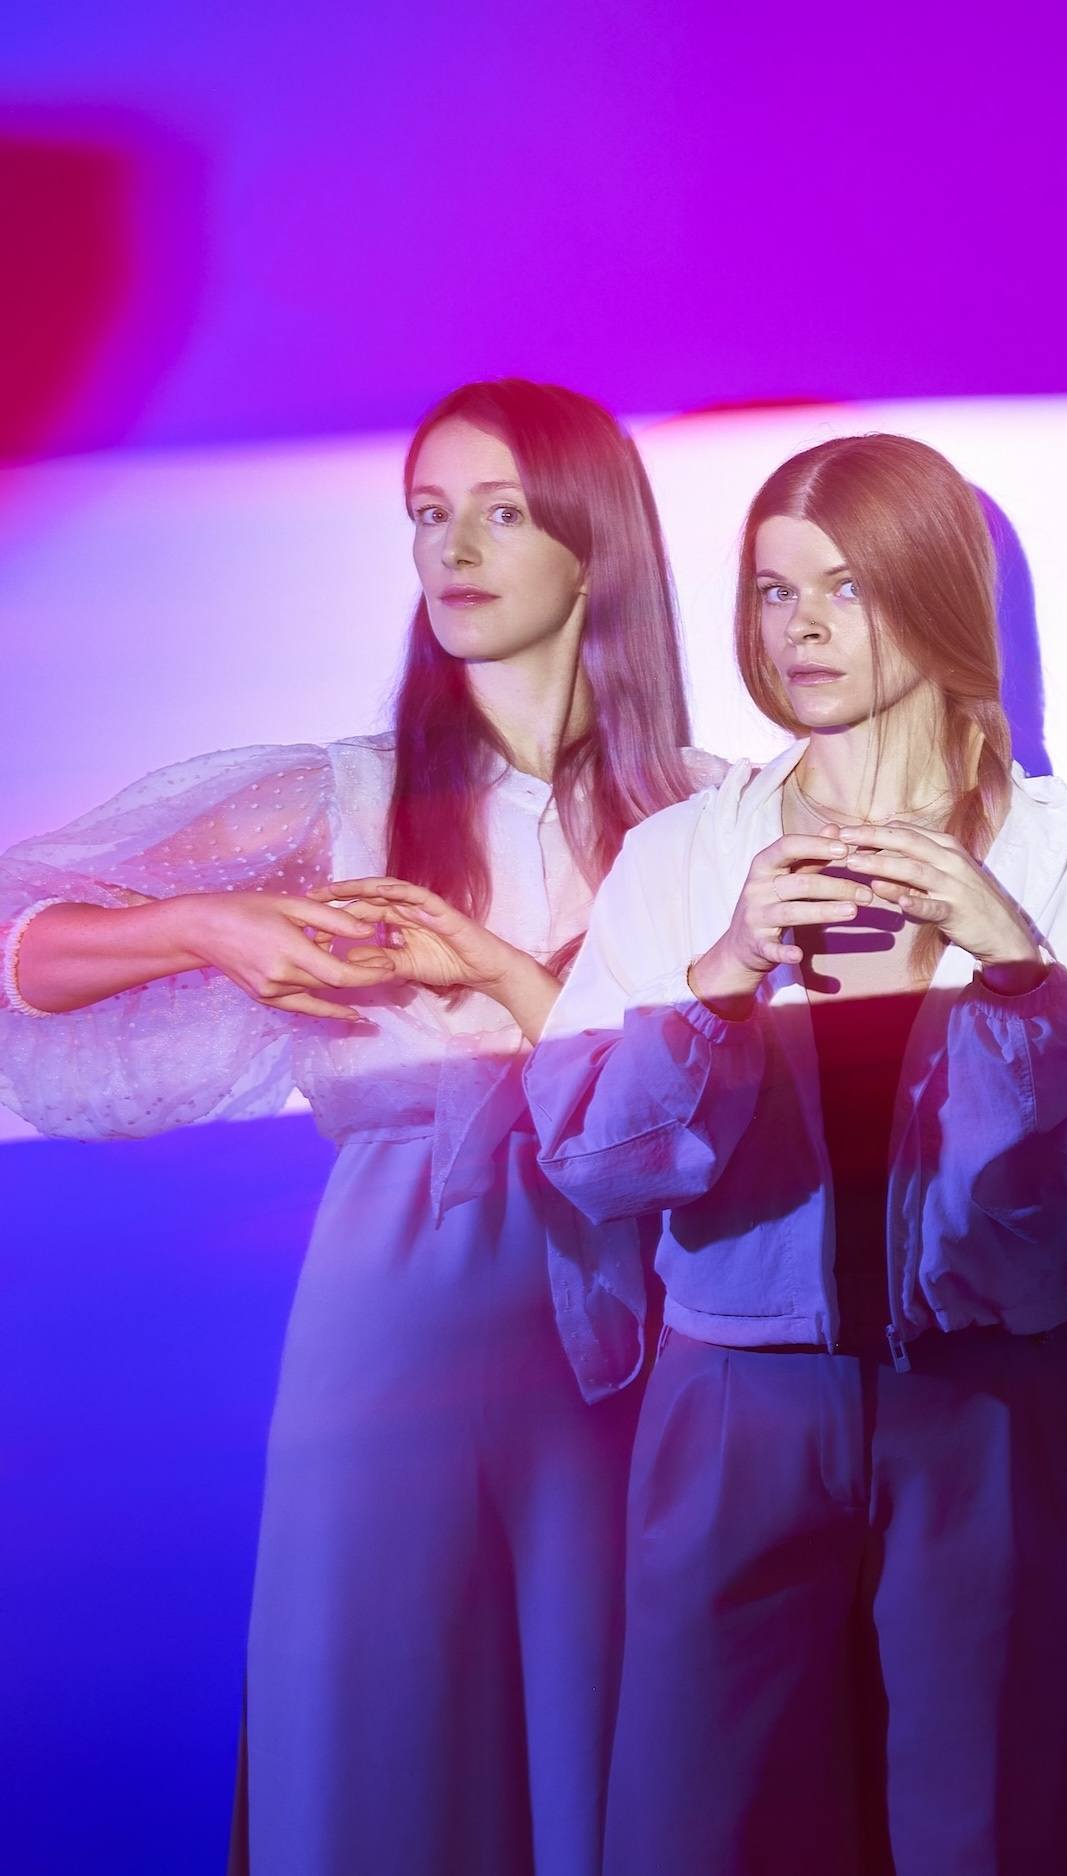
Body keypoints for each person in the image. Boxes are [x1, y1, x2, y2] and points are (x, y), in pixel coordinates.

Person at [0, 380, 712, 1875]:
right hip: (404, 1295)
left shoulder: (712, 816)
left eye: (501, 511)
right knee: (376, 1717)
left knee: (624, 1723)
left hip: (646, 1296)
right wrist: (205, 927)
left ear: (597, 542)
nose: (454, 547)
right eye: (427, 514)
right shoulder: (343, 798)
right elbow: (25, 951)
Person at [525, 432, 1067, 1876]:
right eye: (774, 590)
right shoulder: (682, 856)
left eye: (847, 587)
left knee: (986, 1829)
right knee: (695, 1826)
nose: (800, 628)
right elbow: (588, 1160)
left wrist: (1013, 966)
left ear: (933, 592)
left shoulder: (1059, 854)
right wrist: (722, 976)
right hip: (734, 1397)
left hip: (987, 1396)